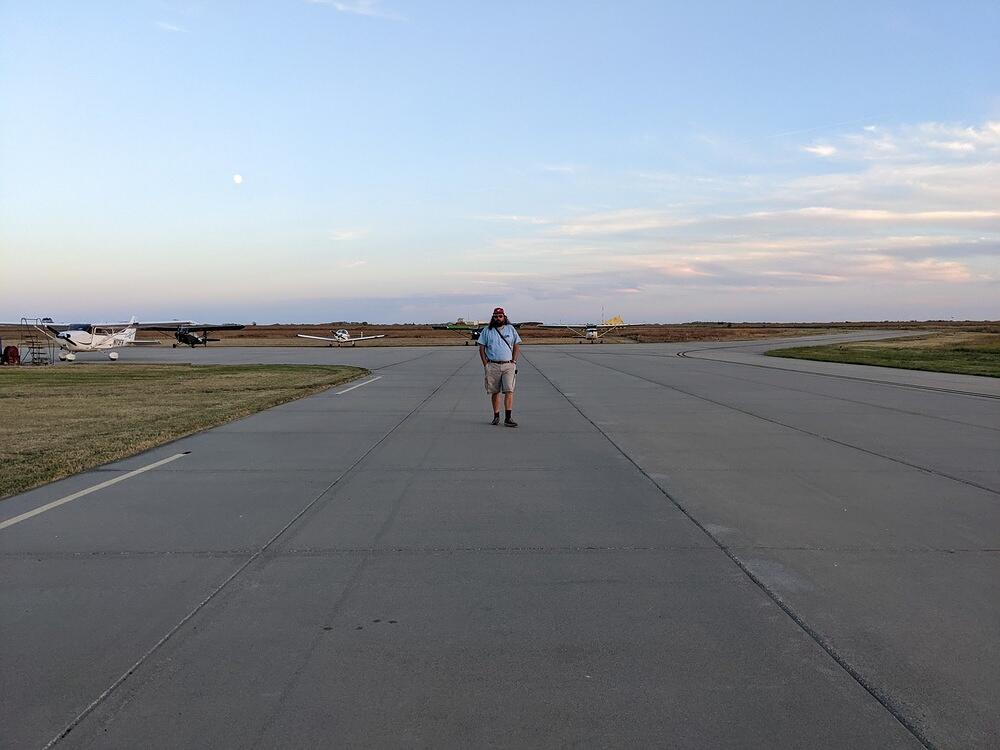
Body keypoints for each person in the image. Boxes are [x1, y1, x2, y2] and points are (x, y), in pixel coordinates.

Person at [478, 307, 521, 427]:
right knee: (495, 391)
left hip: (508, 365)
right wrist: (485, 363)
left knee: (509, 390)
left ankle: (508, 418)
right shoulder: (487, 330)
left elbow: (517, 345)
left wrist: (514, 361)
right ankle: (496, 416)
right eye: (495, 317)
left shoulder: (510, 329)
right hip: (492, 365)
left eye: (500, 316)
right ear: (493, 317)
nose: (498, 318)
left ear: (504, 317)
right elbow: (481, 348)